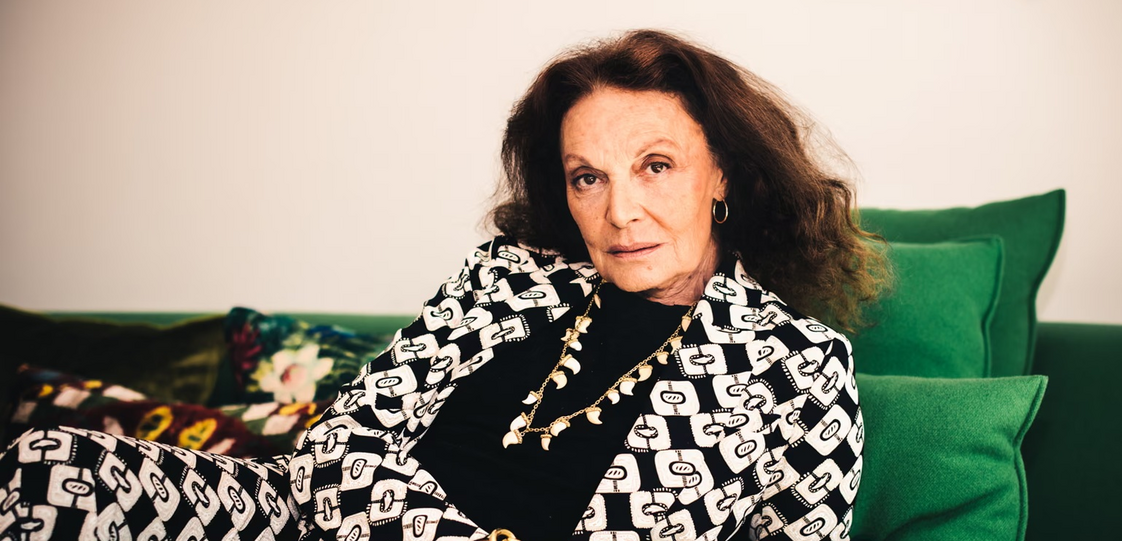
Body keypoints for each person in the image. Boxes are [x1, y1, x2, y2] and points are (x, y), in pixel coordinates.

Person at [0, 29, 886, 540]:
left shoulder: (795, 369)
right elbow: (334, 450)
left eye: (656, 166)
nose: (621, 211)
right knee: (48, 465)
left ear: (722, 173)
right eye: (588, 177)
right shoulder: (505, 277)